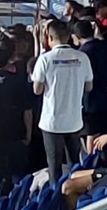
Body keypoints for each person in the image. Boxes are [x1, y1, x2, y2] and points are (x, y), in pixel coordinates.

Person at [31, 20, 94, 184]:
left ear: (50, 38)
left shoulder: (45, 59)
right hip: (74, 120)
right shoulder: (83, 57)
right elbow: (89, 86)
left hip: (51, 121)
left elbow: (36, 90)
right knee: (75, 163)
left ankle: (55, 199)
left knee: (54, 166)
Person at [0, 47, 32, 194]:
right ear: (9, 61)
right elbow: (27, 110)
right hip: (16, 132)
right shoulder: (18, 81)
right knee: (18, 174)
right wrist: (28, 133)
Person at [72, 20, 107, 151]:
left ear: (76, 37)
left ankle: (92, 163)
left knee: (92, 135)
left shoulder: (81, 54)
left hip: (91, 99)